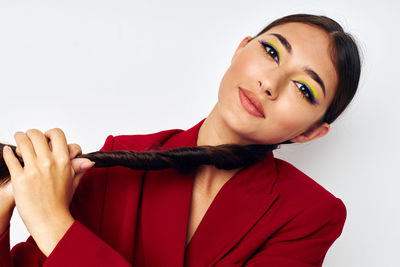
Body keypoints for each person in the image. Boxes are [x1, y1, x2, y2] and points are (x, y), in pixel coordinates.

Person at [0, 13, 361, 266]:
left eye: (303, 88)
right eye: (271, 52)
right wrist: (6, 205)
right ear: (240, 50)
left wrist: (52, 223)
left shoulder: (310, 214)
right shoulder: (117, 159)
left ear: (310, 132)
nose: (270, 84)